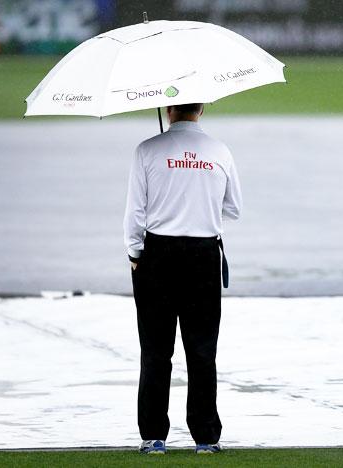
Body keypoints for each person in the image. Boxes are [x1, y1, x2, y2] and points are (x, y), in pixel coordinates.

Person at [124, 103, 242, 455]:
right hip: (203, 255)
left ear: (169, 108)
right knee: (202, 349)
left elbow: (135, 211)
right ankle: (206, 437)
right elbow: (235, 208)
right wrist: (198, 200)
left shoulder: (147, 149)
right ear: (202, 109)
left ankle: (153, 436)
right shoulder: (219, 151)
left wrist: (134, 253)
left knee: (156, 349)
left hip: (157, 255)